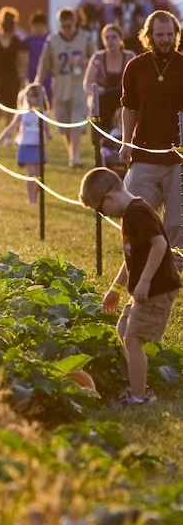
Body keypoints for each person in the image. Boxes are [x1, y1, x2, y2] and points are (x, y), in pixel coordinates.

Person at [78, 167, 180, 407]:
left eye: (100, 209)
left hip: (157, 287)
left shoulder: (139, 212)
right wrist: (115, 289)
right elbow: (130, 258)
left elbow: (160, 245)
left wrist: (144, 281)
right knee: (124, 331)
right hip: (145, 287)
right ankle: (139, 386)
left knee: (133, 339)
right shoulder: (130, 214)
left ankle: (139, 397)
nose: (104, 214)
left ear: (110, 197)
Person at [118, 10, 183, 267]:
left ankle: (174, 269)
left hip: (178, 157)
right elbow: (128, 108)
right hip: (143, 152)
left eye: (170, 34)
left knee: (177, 220)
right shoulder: (136, 67)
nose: (166, 39)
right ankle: (138, 262)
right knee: (135, 211)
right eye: (160, 34)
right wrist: (125, 142)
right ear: (149, 36)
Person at [36, 7, 95, 168]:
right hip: (60, 86)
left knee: (76, 120)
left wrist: (84, 61)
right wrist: (37, 83)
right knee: (64, 124)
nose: (67, 30)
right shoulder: (52, 41)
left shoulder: (86, 38)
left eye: (69, 26)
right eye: (63, 26)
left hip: (79, 85)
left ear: (75, 23)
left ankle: (74, 156)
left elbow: (96, 59)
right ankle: (72, 153)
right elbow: (44, 65)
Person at [83, 24, 136, 164]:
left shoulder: (130, 57)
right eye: (107, 38)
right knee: (100, 138)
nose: (110, 41)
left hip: (123, 103)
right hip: (103, 104)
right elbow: (87, 84)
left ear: (120, 39)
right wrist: (96, 91)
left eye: (114, 37)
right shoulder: (98, 58)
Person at [0, 83, 52, 204]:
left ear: (39, 98)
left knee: (38, 174)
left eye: (32, 96)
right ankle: (31, 198)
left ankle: (36, 197)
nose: (29, 99)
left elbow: (47, 129)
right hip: (26, 145)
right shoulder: (22, 113)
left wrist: (49, 133)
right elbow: (11, 127)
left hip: (38, 146)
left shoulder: (43, 114)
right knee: (31, 173)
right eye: (27, 96)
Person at [24, 11, 52, 104]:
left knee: (49, 103)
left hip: (49, 77)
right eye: (35, 26)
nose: (38, 29)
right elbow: (25, 59)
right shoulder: (28, 41)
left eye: (40, 26)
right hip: (33, 76)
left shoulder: (51, 39)